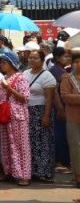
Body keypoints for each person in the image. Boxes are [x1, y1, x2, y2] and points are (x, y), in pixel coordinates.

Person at [0, 50, 31, 186]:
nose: (1, 64)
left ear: (12, 63)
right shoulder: (4, 78)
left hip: (17, 115)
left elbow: (25, 98)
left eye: (4, 62)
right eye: (1, 62)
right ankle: (9, 172)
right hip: (5, 115)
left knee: (20, 145)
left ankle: (23, 175)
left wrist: (9, 88)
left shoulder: (20, 78)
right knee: (6, 145)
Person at [21, 50, 56, 183]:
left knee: (43, 142)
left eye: (35, 58)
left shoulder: (47, 76)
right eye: (30, 57)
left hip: (40, 111)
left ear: (42, 60)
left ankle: (44, 172)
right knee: (30, 142)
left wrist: (46, 116)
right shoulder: (25, 73)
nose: (32, 60)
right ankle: (32, 171)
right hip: (26, 111)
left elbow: (49, 98)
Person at [58, 52, 80, 188]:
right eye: (76, 62)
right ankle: (77, 176)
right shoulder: (67, 78)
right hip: (73, 117)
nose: (78, 64)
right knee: (76, 147)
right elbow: (65, 96)